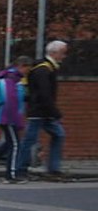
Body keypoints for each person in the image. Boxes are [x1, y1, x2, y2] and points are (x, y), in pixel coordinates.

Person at [20, 40, 68, 180]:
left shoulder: (47, 67)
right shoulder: (43, 69)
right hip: (39, 111)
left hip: (43, 111)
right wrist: (55, 113)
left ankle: (53, 169)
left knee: (58, 135)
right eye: (62, 53)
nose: (64, 56)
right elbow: (44, 93)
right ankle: (20, 169)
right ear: (54, 53)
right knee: (30, 140)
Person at [0, 56, 31, 183]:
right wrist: (15, 119)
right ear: (21, 66)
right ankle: (11, 175)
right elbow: (10, 100)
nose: (27, 72)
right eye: (27, 69)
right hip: (8, 117)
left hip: (7, 116)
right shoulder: (11, 78)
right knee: (15, 145)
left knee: (11, 144)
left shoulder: (13, 78)